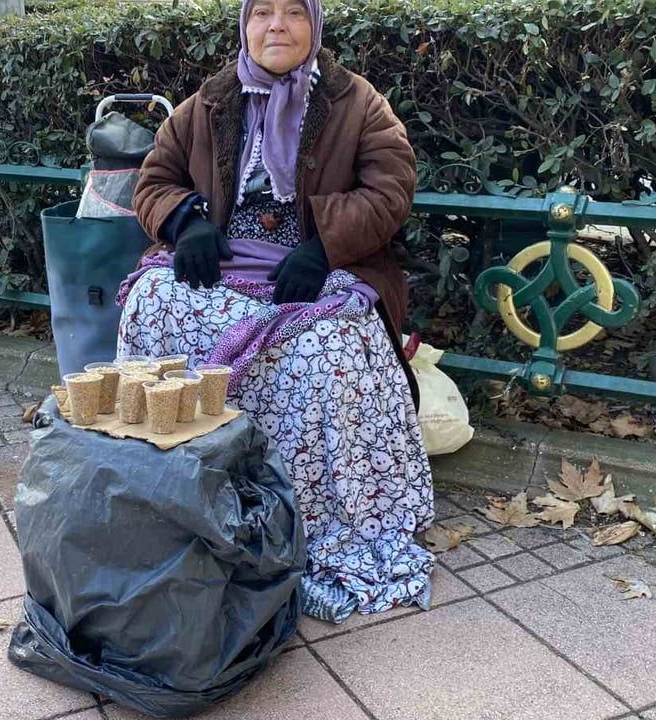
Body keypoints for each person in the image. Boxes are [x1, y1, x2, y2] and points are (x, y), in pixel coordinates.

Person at [119, 0, 434, 622]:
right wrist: (186, 223)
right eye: (261, 11)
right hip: (224, 259)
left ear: (314, 25)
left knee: (329, 348)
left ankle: (305, 522)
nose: (276, 25)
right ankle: (172, 492)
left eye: (294, 11)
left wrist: (324, 246)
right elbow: (153, 180)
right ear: (245, 25)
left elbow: (390, 190)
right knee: (153, 302)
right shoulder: (209, 101)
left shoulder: (357, 101)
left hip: (319, 266)